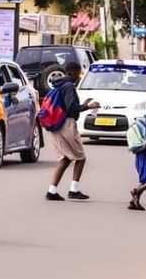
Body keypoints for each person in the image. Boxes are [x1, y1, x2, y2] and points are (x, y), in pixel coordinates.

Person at [46, 61, 100, 201]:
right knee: (81, 158)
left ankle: (52, 191)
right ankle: (73, 190)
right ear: (73, 73)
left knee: (65, 158)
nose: (79, 77)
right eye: (78, 73)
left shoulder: (58, 84)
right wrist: (88, 106)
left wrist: (83, 104)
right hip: (66, 124)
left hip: (55, 125)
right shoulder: (69, 86)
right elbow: (71, 108)